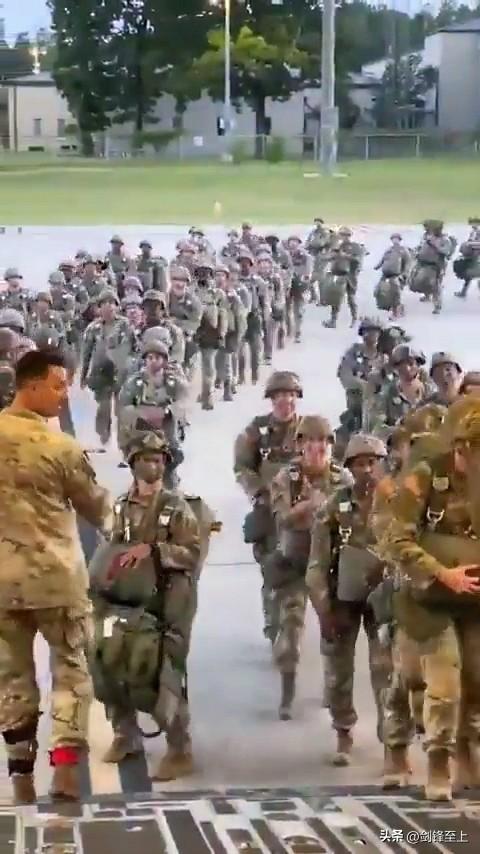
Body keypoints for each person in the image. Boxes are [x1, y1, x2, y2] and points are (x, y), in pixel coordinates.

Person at [0, 350, 111, 804]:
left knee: (12, 680)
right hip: (57, 582)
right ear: (30, 386)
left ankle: (21, 779)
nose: (64, 395)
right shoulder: (61, 447)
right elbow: (98, 508)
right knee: (70, 672)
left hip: (3, 586)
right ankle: (64, 773)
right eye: (58, 385)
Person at [380, 403, 480, 800]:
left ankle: (466, 757)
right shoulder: (425, 476)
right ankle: (437, 761)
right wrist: (443, 573)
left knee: (476, 679)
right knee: (442, 684)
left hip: (473, 600)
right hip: (429, 598)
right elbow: (395, 539)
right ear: (461, 447)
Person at [90, 432, 200, 781]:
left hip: (169, 600)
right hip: (126, 597)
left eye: (158, 459)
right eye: (145, 459)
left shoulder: (177, 508)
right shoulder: (121, 506)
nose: (153, 465)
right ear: (133, 463)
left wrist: (154, 550)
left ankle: (179, 748)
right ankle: (126, 734)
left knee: (163, 670)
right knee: (110, 659)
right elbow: (110, 546)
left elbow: (192, 554)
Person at [306, 434, 390, 766]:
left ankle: (392, 740)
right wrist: (322, 608)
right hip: (343, 597)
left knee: (386, 669)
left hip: (385, 598)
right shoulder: (334, 506)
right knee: (338, 670)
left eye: (373, 462)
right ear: (350, 468)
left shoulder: (399, 503)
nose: (367, 470)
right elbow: (317, 563)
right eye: (359, 464)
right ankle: (343, 730)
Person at [269, 416, 350, 719]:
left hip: (329, 564)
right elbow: (281, 519)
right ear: (300, 445)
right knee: (290, 629)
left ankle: (332, 687)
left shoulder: (342, 478)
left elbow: (355, 517)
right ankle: (287, 693)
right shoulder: (286, 478)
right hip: (295, 562)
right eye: (311, 442)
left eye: (324, 442)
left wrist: (325, 507)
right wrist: (306, 505)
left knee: (333, 630)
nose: (318, 448)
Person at [234, 371, 303, 642]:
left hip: (302, 510)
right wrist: (257, 492)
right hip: (270, 509)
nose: (286, 401)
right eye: (280, 396)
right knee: (271, 566)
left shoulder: (308, 430)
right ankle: (273, 621)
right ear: (271, 399)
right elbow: (242, 467)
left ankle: (294, 618)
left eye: (291, 395)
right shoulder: (257, 431)